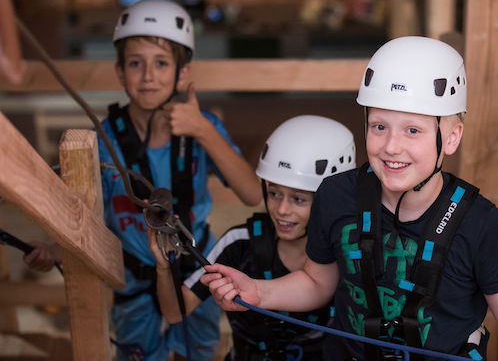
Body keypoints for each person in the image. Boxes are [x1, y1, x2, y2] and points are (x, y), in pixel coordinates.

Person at [199, 37, 498, 360]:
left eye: (412, 130)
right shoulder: (336, 196)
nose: (391, 146)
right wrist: (259, 292)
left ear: (450, 138)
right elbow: (317, 282)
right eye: (379, 126)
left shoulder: (481, 224)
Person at [26, 0, 262, 361]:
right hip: (134, 279)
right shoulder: (102, 143)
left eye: (162, 63)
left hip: (197, 275)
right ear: (120, 72)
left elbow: (250, 193)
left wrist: (203, 130)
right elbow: (83, 217)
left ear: (183, 74)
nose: (148, 75)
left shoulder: (203, 131)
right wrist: (54, 250)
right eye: (136, 63)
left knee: (198, 354)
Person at [149, 115, 356, 360]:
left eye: (298, 199)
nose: (281, 209)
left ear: (328, 201)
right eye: (274, 193)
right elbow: (175, 313)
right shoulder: (239, 244)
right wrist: (163, 267)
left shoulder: (350, 254)